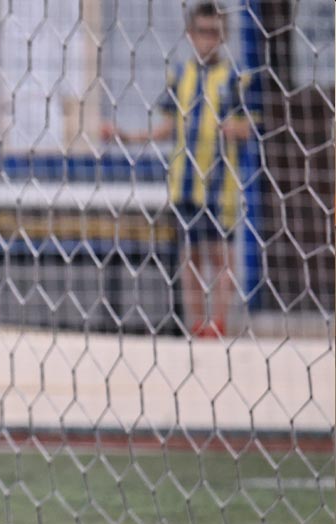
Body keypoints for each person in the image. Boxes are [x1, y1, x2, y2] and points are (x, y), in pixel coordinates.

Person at [101, 1, 252, 338]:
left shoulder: (235, 77)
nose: (208, 40)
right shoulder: (180, 75)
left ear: (223, 36)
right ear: (190, 34)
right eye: (203, 32)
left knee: (222, 259)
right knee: (191, 259)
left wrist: (233, 128)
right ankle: (197, 326)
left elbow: (253, 126)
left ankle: (220, 326)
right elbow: (166, 129)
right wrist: (125, 135)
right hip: (185, 184)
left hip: (220, 186)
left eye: (215, 33)